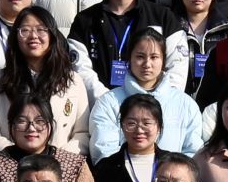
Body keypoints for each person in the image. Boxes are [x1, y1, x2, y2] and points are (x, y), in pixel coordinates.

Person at [0, 7, 95, 156]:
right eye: (25, 30)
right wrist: (17, 158)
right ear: (15, 37)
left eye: (41, 30)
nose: (33, 36)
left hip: (60, 165)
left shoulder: (73, 81)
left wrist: (57, 160)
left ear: (52, 35)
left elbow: (82, 133)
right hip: (10, 164)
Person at [88, 27, 205, 156]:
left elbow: (194, 152)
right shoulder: (108, 103)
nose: (147, 64)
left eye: (154, 57)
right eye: (140, 57)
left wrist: (169, 168)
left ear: (163, 61)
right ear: (129, 59)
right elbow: (103, 152)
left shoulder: (186, 104)